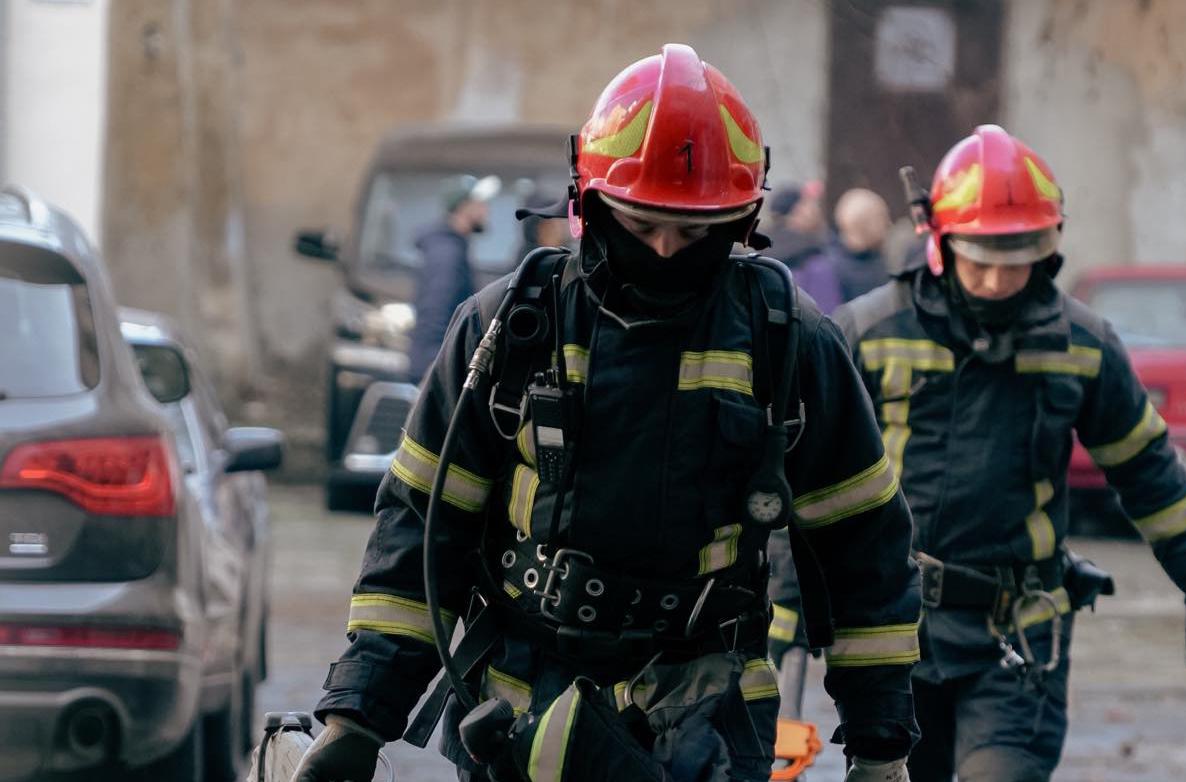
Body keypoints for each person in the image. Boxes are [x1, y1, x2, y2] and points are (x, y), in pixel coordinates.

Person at [292, 44, 920, 782]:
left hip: (707, 718)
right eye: (640, 222)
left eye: (693, 232)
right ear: (587, 203)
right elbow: (422, 528)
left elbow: (861, 546)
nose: (662, 250)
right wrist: (358, 715)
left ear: (742, 222)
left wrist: (880, 747)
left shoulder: (788, 342)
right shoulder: (509, 329)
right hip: (521, 716)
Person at [833, 125, 1186, 781]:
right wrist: (788, 612)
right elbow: (808, 479)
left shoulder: (1081, 344)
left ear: (1047, 247)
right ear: (939, 244)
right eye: (979, 259)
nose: (996, 280)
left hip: (1015, 635)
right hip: (892, 634)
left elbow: (1144, 469)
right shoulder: (866, 332)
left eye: (1015, 257)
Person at [406, 175, 499, 382]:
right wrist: (436, 366)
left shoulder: (451, 248)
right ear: (464, 207)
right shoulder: (447, 254)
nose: (486, 210)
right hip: (433, 366)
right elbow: (435, 312)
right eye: (481, 203)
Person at [762, 181, 842, 312]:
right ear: (797, 212)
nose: (816, 209)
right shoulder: (816, 262)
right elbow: (828, 318)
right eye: (808, 203)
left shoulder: (761, 253)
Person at [827, 188, 893, 302]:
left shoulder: (885, 260)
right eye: (882, 216)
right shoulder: (830, 270)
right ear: (863, 223)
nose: (889, 224)